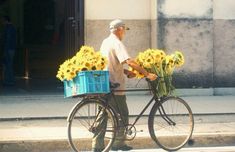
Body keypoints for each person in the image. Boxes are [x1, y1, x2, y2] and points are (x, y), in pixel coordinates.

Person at [92, 19, 157, 151]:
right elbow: (129, 61)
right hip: (115, 84)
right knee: (122, 114)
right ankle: (118, 143)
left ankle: (97, 146)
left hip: (104, 82)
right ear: (120, 29)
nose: (124, 34)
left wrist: (126, 72)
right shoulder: (117, 43)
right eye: (124, 30)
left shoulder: (105, 42)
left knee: (103, 115)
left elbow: (111, 62)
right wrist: (146, 74)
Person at [2, 15, 16, 86]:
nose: (2, 22)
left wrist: (5, 50)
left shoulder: (8, 28)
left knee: (8, 65)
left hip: (8, 49)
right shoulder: (11, 28)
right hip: (11, 48)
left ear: (6, 20)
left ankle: (10, 80)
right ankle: (9, 80)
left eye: (3, 21)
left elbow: (8, 39)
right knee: (8, 64)